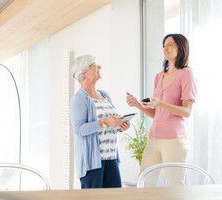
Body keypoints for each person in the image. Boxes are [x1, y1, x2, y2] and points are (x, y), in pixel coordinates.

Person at [126, 33, 197, 185]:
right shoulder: (159, 76)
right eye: (164, 46)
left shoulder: (187, 74)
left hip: (174, 138)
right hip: (154, 137)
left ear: (181, 47)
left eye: (170, 45)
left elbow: (187, 111)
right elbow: (156, 113)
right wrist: (137, 104)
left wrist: (160, 103)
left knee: (174, 185)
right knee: (144, 183)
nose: (165, 48)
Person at [70, 55, 130, 189]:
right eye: (94, 64)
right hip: (92, 163)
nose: (99, 67)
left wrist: (120, 126)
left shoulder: (105, 95)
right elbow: (79, 129)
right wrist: (104, 122)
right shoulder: (79, 98)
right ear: (84, 72)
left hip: (111, 158)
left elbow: (110, 123)